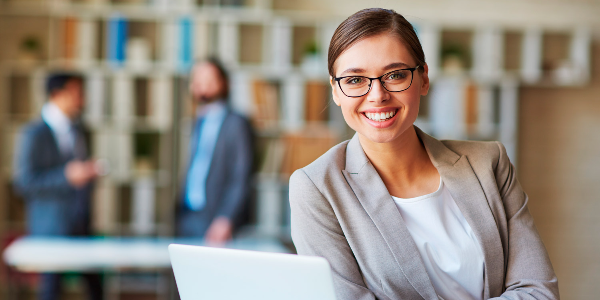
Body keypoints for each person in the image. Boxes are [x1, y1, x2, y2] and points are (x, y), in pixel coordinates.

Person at [289, 8, 558, 300]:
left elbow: (538, 291)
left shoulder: (489, 163)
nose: (377, 95)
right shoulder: (316, 187)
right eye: (355, 80)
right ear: (336, 91)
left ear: (424, 78)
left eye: (395, 75)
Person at [13, 73, 103, 300]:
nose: (82, 99)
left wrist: (89, 173)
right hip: (51, 228)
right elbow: (24, 183)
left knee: (96, 287)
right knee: (51, 290)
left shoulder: (82, 129)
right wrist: (66, 177)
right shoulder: (33, 134)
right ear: (57, 95)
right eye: (76, 93)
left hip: (81, 224)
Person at [176, 58, 254, 245]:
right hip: (187, 215)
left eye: (208, 80)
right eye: (197, 80)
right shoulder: (197, 121)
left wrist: (225, 218)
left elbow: (241, 176)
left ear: (223, 82)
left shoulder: (236, 123)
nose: (202, 86)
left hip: (216, 218)